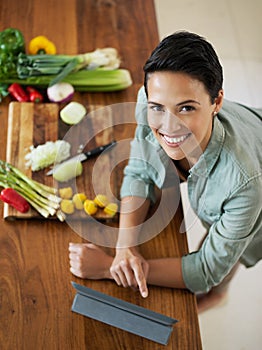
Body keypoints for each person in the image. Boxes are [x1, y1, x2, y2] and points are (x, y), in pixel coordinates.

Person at [69, 31, 262, 312]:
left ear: (216, 102)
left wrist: (110, 269)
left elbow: (208, 267)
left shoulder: (245, 184)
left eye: (186, 108)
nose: (169, 126)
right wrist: (124, 250)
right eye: (158, 107)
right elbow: (139, 171)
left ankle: (217, 296)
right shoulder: (149, 99)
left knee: (233, 246)